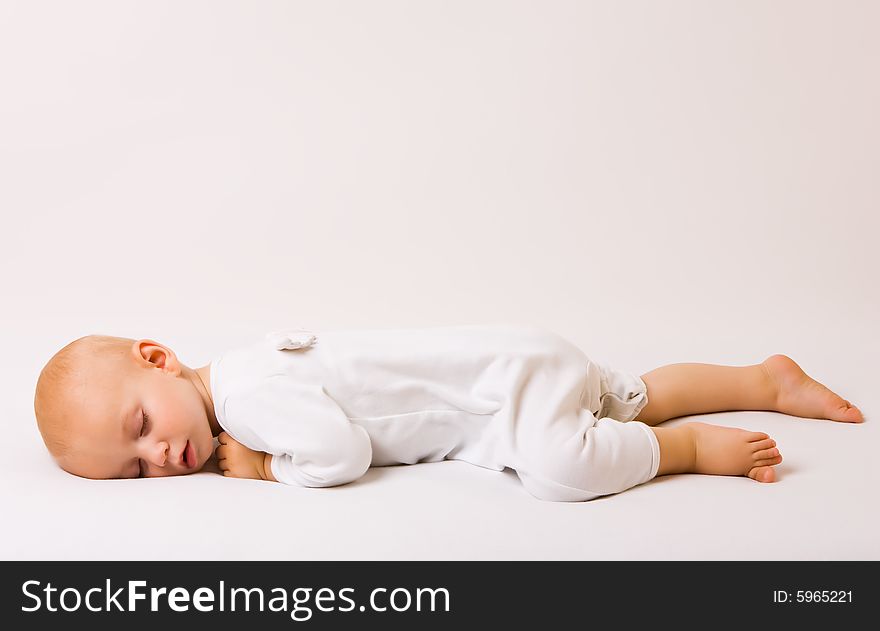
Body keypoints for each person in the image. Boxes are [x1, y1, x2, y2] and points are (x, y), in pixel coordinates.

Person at [32, 323, 864, 502]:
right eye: (135, 465)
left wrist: (264, 465)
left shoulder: (246, 401)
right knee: (631, 388)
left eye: (142, 426)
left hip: (499, 403)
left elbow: (341, 451)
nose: (162, 453)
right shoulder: (246, 368)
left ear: (158, 358)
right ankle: (763, 377)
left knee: (562, 469)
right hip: (514, 361)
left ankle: (680, 451)